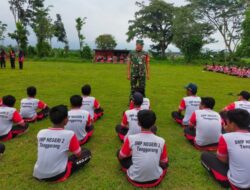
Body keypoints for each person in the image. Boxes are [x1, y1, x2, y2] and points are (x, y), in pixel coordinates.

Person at [33, 105, 91, 182]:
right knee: (86, 153)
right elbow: (78, 154)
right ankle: (59, 173)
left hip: (37, 173)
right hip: (57, 175)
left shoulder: (41, 132)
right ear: (65, 120)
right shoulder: (69, 134)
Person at [117, 110, 168, 188]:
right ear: (154, 124)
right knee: (165, 161)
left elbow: (121, 156)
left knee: (119, 153)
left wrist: (133, 153)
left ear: (138, 123)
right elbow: (163, 162)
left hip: (134, 178)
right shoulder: (161, 141)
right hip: (155, 179)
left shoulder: (131, 138)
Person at [201, 109, 250, 189]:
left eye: (227, 122)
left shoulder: (226, 137)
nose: (225, 125)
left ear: (233, 124)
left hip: (238, 185)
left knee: (205, 156)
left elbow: (222, 161)